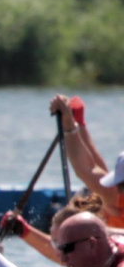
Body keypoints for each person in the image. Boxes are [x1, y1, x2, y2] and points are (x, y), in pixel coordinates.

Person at [50, 94, 124, 229]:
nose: (117, 191)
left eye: (121, 186)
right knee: (102, 190)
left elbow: (86, 171)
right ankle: (79, 122)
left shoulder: (115, 201)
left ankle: (79, 123)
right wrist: (72, 123)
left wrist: (69, 125)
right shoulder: (115, 198)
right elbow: (91, 172)